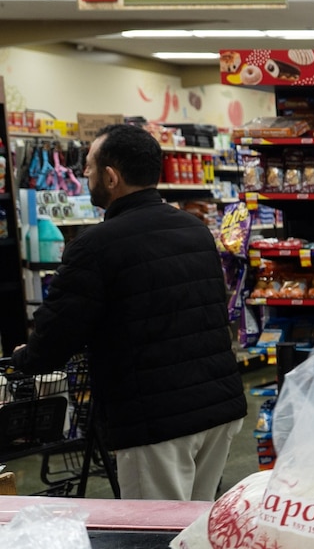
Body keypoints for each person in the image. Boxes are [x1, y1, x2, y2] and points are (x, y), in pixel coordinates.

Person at [11, 123, 245, 500]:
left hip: (156, 418)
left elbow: (57, 334)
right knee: (196, 531)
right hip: (219, 407)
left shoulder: (95, 247)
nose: (83, 174)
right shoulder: (195, 230)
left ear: (111, 176)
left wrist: (27, 359)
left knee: (155, 541)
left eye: (88, 166)